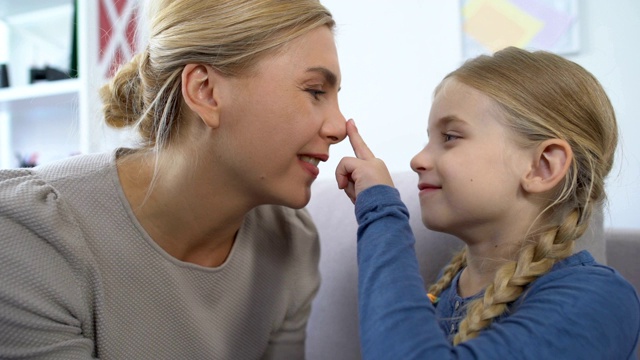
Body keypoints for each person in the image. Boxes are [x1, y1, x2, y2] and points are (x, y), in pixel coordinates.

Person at [0, 0, 346, 358]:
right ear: (205, 91)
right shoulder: (32, 235)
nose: (339, 127)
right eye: (315, 90)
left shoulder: (291, 243)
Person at [336, 46, 640, 359]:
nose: (418, 159)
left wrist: (381, 212)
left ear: (542, 167)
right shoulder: (446, 294)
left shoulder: (596, 300)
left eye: (451, 137)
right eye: (428, 139)